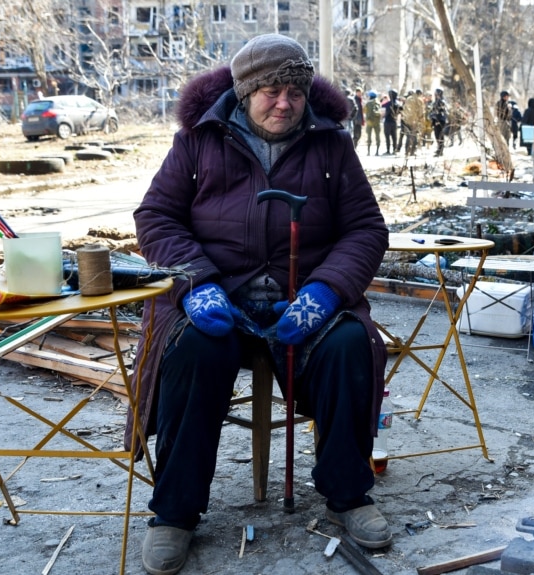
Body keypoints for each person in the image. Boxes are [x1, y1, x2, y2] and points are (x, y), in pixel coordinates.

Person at [129, 33, 392, 575]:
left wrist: (325, 292)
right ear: (244, 92)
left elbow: (366, 227)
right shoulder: (199, 141)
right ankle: (174, 513)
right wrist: (196, 283)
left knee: (348, 345)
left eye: (295, 91)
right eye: (270, 91)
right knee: (195, 354)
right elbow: (156, 218)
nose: (284, 103)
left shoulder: (331, 145)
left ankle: (349, 495)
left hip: (303, 298)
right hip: (218, 297)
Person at [428, 87, 449, 157]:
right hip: (435, 121)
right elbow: (432, 111)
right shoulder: (436, 101)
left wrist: (438, 120)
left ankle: (440, 150)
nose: (435, 94)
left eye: (436, 93)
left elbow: (442, 111)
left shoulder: (442, 101)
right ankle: (439, 149)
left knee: (440, 136)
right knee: (437, 136)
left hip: (440, 121)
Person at [382, 89, 400, 154]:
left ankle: (388, 150)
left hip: (387, 122)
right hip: (394, 122)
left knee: (387, 137)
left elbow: (383, 112)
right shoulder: (398, 104)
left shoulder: (387, 104)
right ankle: (394, 150)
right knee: (394, 137)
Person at [363, 90, 381, 155]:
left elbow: (364, 111)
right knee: (377, 136)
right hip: (377, 122)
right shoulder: (378, 103)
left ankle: (368, 152)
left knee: (369, 137)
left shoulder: (368, 103)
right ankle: (377, 152)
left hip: (369, 122)